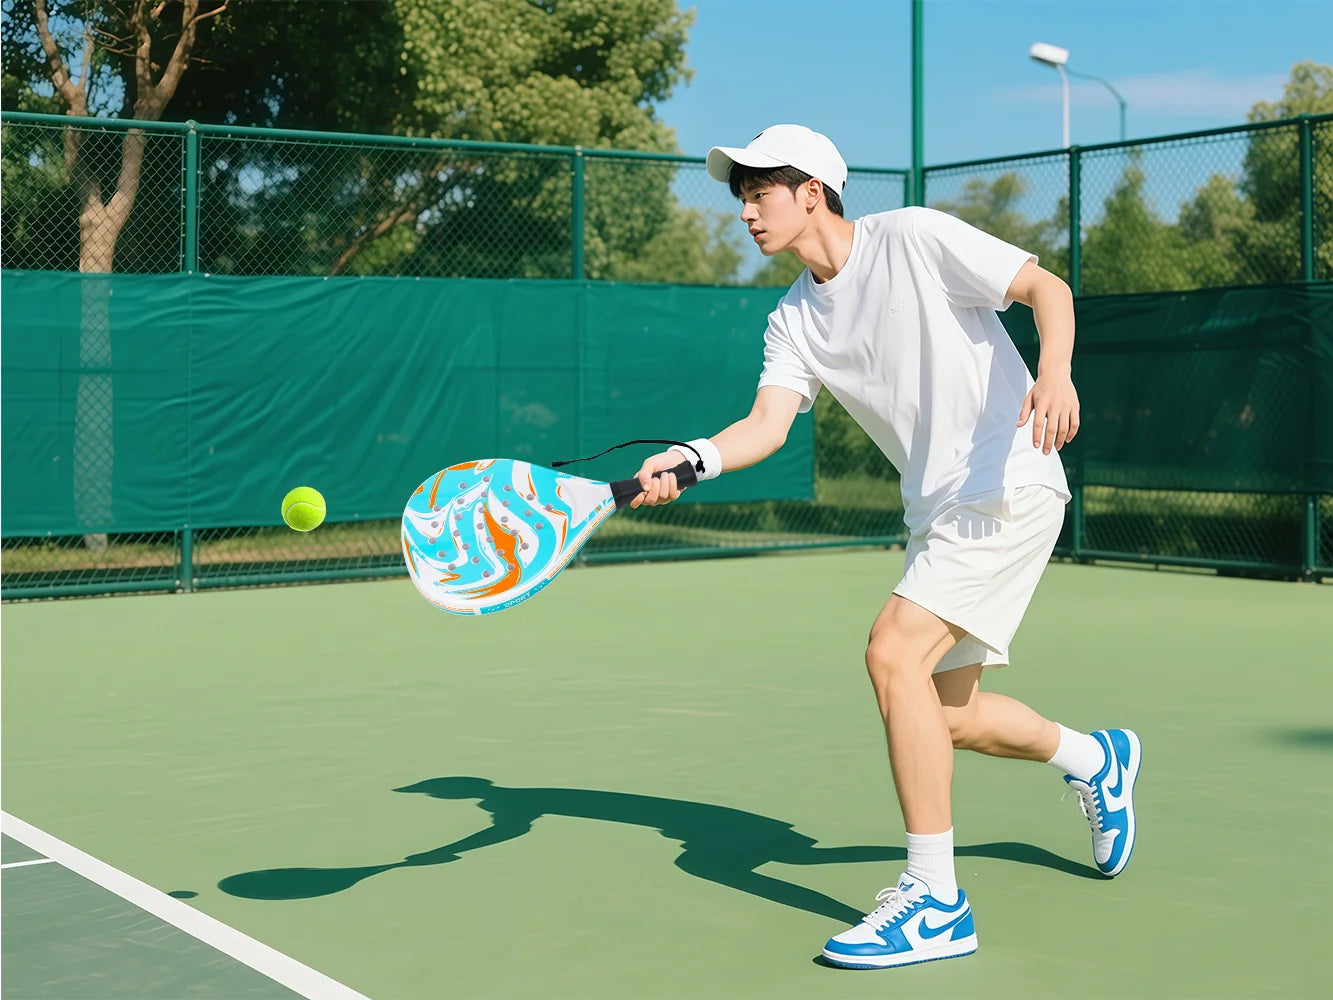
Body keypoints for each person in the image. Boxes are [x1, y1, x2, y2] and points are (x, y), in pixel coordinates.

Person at [629, 124, 1141, 970]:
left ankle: (935, 900)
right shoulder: (792, 317)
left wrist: (1054, 374)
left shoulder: (914, 236)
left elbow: (1043, 287)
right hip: (937, 512)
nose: (746, 213)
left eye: (760, 192)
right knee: (946, 715)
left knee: (890, 654)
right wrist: (692, 458)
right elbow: (765, 424)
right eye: (741, 197)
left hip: (1006, 480)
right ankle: (1096, 758)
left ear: (812, 192)